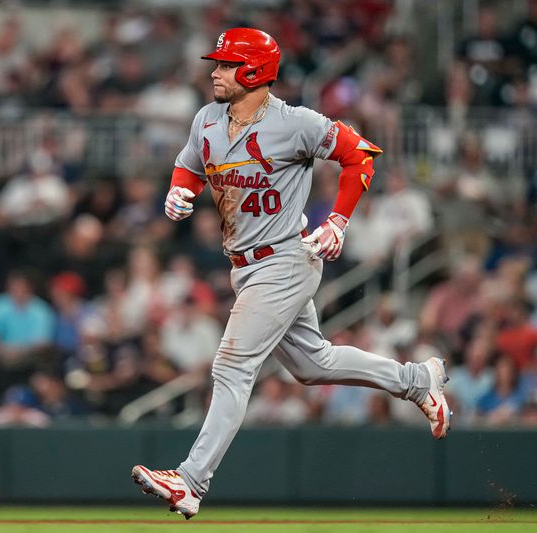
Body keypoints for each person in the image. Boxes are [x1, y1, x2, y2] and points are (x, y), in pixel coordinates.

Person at [130, 28, 451, 519]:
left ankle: (191, 481)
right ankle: (416, 380)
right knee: (312, 365)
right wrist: (180, 190)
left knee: (232, 367)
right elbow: (188, 165)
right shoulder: (207, 119)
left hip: (284, 259)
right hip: (245, 265)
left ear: (254, 71)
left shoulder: (295, 122)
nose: (214, 71)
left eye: (225, 64)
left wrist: (339, 218)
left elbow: (360, 154)